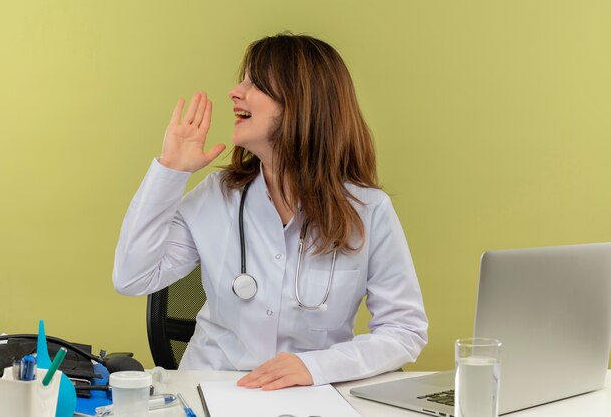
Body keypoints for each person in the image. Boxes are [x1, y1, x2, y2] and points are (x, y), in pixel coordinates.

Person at [113, 32, 428, 390]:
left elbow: (405, 330)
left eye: (255, 83)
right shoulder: (218, 196)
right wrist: (171, 170)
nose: (235, 92)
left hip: (311, 398)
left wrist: (316, 367)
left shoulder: (367, 210)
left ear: (301, 103)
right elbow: (132, 277)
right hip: (211, 392)